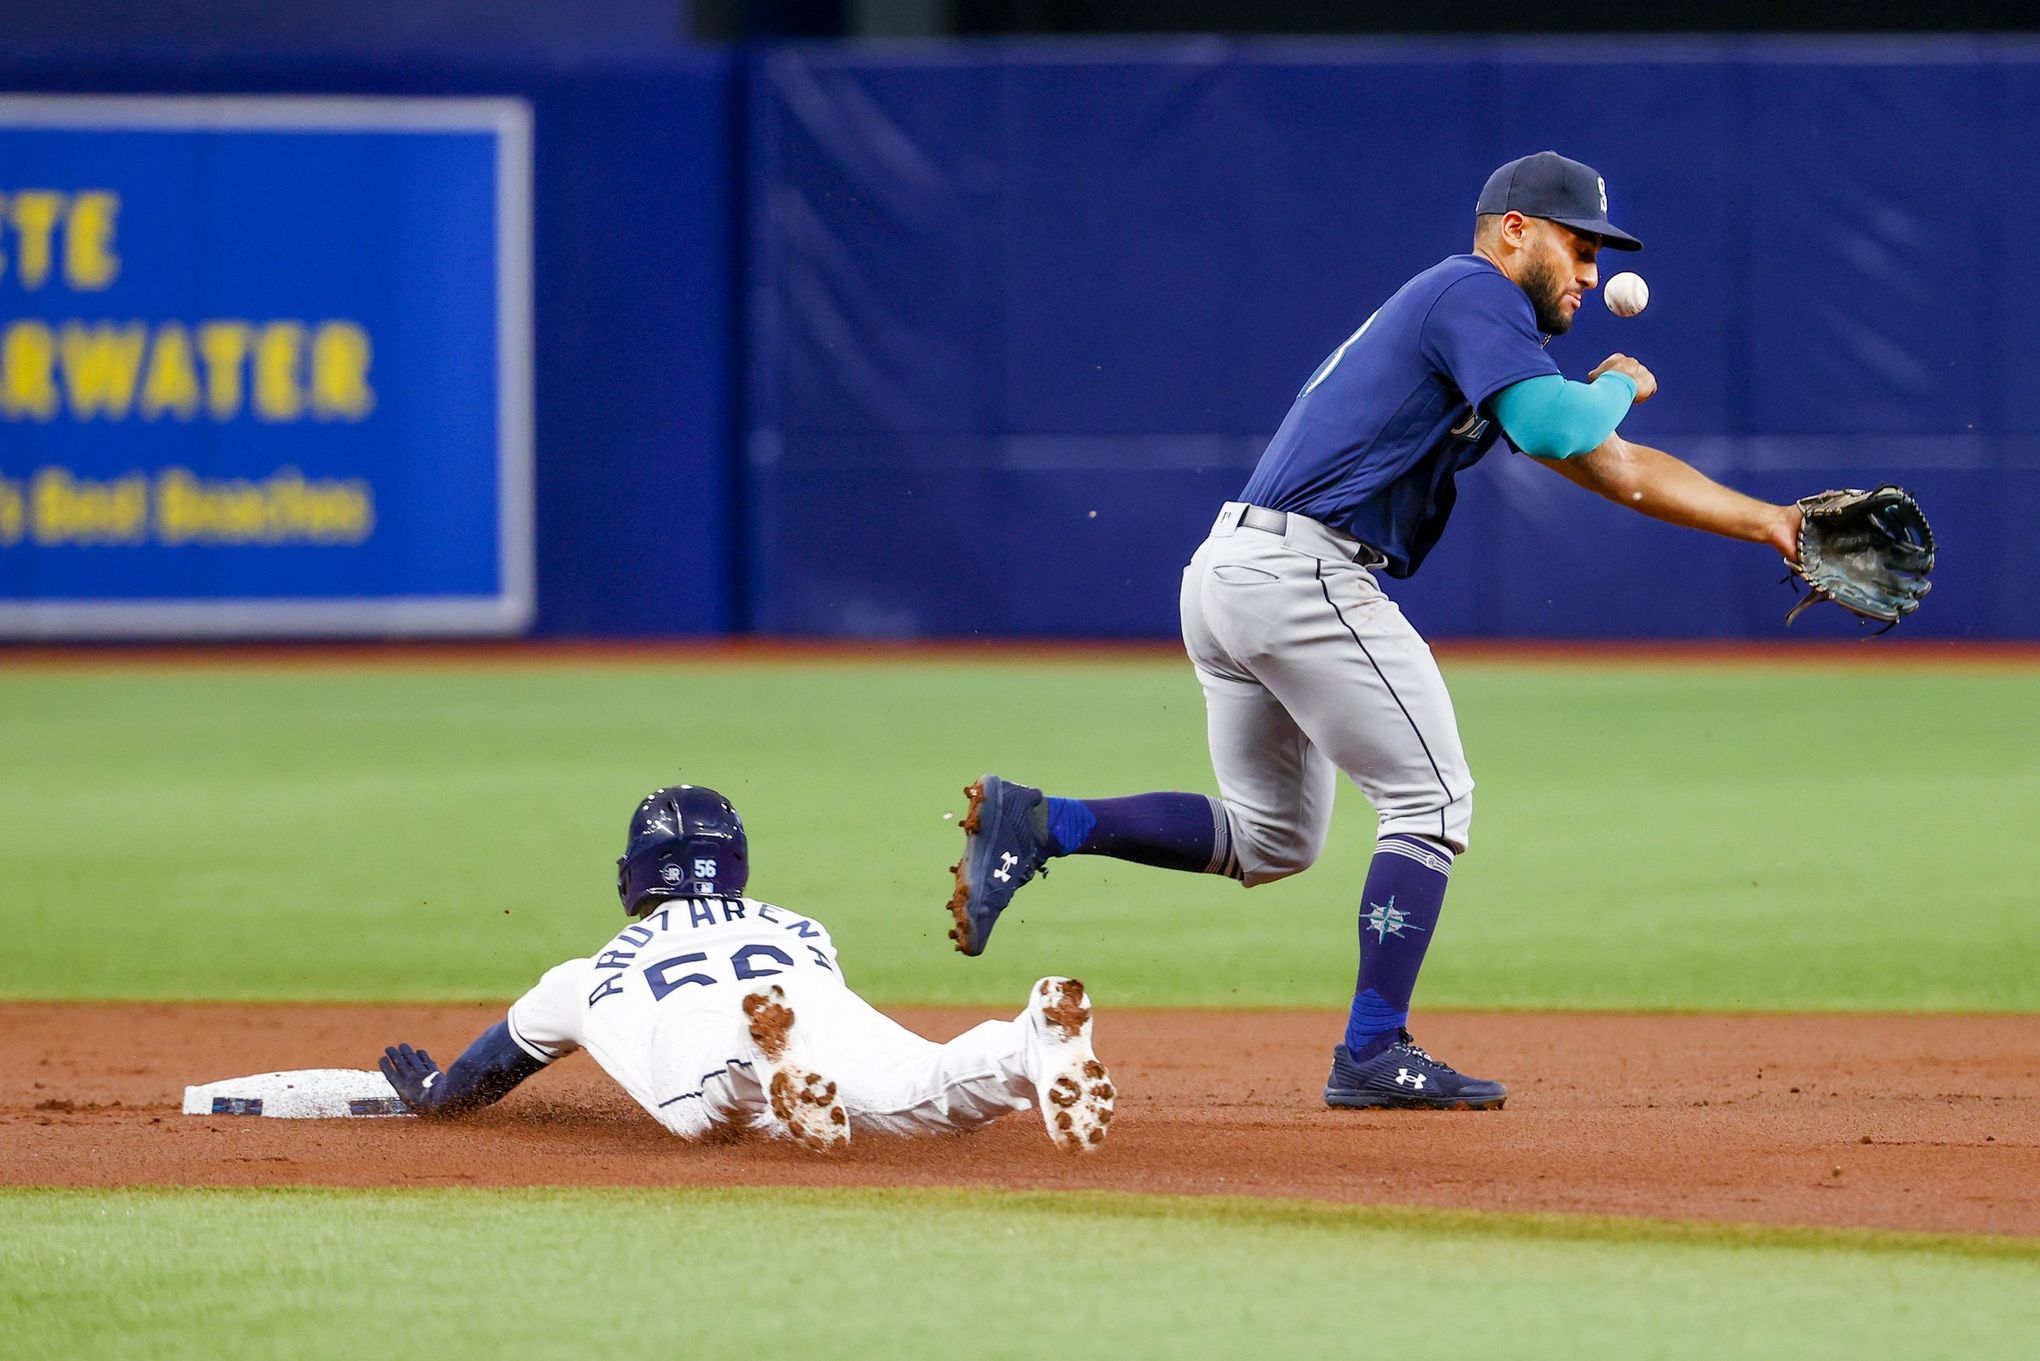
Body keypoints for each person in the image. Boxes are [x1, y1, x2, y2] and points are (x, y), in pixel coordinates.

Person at [945, 151, 1806, 1113]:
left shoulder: (1487, 340)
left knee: (1270, 839)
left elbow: (1620, 469)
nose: (1594, 271)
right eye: (1581, 243)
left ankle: (1043, 820)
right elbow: (1567, 428)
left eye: (1600, 252)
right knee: (1434, 802)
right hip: (1300, 573)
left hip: (1233, 571)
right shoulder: (1472, 291)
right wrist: (1615, 383)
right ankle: (1371, 1048)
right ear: (1515, 229)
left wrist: (1775, 522)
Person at [381, 783, 1115, 1153]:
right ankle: (1023, 1045)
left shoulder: (583, 975)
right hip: (804, 993)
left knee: (705, 1107)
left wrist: (437, 1094)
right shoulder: (799, 925)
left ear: (634, 874)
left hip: (704, 1023)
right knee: (917, 1091)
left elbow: (486, 1068)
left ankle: (757, 1054)